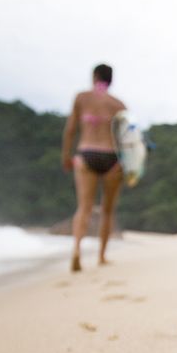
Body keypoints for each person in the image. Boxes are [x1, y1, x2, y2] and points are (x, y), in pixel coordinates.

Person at [62, 64, 127, 271]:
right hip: (112, 158)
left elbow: (71, 129)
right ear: (111, 80)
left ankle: (77, 250)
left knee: (84, 208)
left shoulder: (82, 98)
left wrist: (66, 156)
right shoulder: (119, 105)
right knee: (107, 210)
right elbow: (127, 139)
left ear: (94, 77)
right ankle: (101, 256)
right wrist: (125, 164)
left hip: (86, 153)